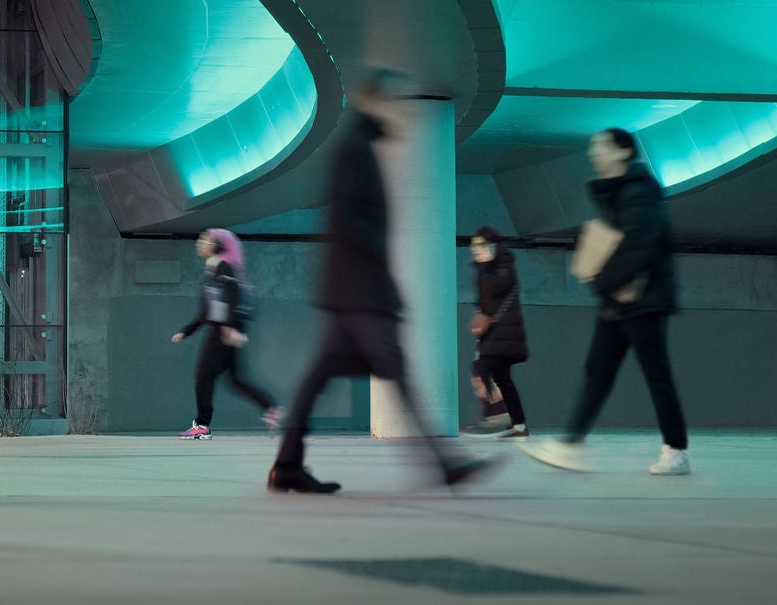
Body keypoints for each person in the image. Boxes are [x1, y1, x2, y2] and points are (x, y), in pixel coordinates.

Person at [269, 72, 492, 494]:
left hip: (351, 289)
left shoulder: (358, 145)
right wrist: (383, 276)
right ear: (377, 102)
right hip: (361, 291)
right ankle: (444, 465)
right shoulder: (355, 149)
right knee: (396, 375)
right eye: (398, 101)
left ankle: (287, 466)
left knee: (318, 380)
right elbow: (352, 222)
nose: (405, 109)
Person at [519, 129, 690, 476]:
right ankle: (571, 445)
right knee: (598, 372)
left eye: (601, 146)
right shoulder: (618, 193)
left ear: (623, 151)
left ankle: (676, 451)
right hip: (620, 298)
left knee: (657, 377)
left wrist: (602, 280)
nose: (593, 152)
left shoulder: (638, 192)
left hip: (642, 298)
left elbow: (640, 244)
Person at [170, 228, 281, 439]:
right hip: (226, 327)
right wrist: (186, 332)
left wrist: (229, 328)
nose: (200, 242)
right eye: (201, 238)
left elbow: (231, 297)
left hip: (224, 330)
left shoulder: (223, 267)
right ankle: (270, 407)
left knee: (203, 376)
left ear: (218, 245)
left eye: (206, 239)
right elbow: (207, 311)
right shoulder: (214, 268)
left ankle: (202, 425)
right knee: (236, 379)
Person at [462, 226, 528, 439]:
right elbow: (484, 300)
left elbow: (497, 288)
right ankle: (518, 425)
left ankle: (493, 417)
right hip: (494, 330)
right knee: (503, 379)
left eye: (482, 245)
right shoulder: (486, 267)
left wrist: (485, 266)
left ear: (493, 244)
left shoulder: (504, 263)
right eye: (475, 246)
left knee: (484, 367)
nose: (478, 250)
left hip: (504, 329)